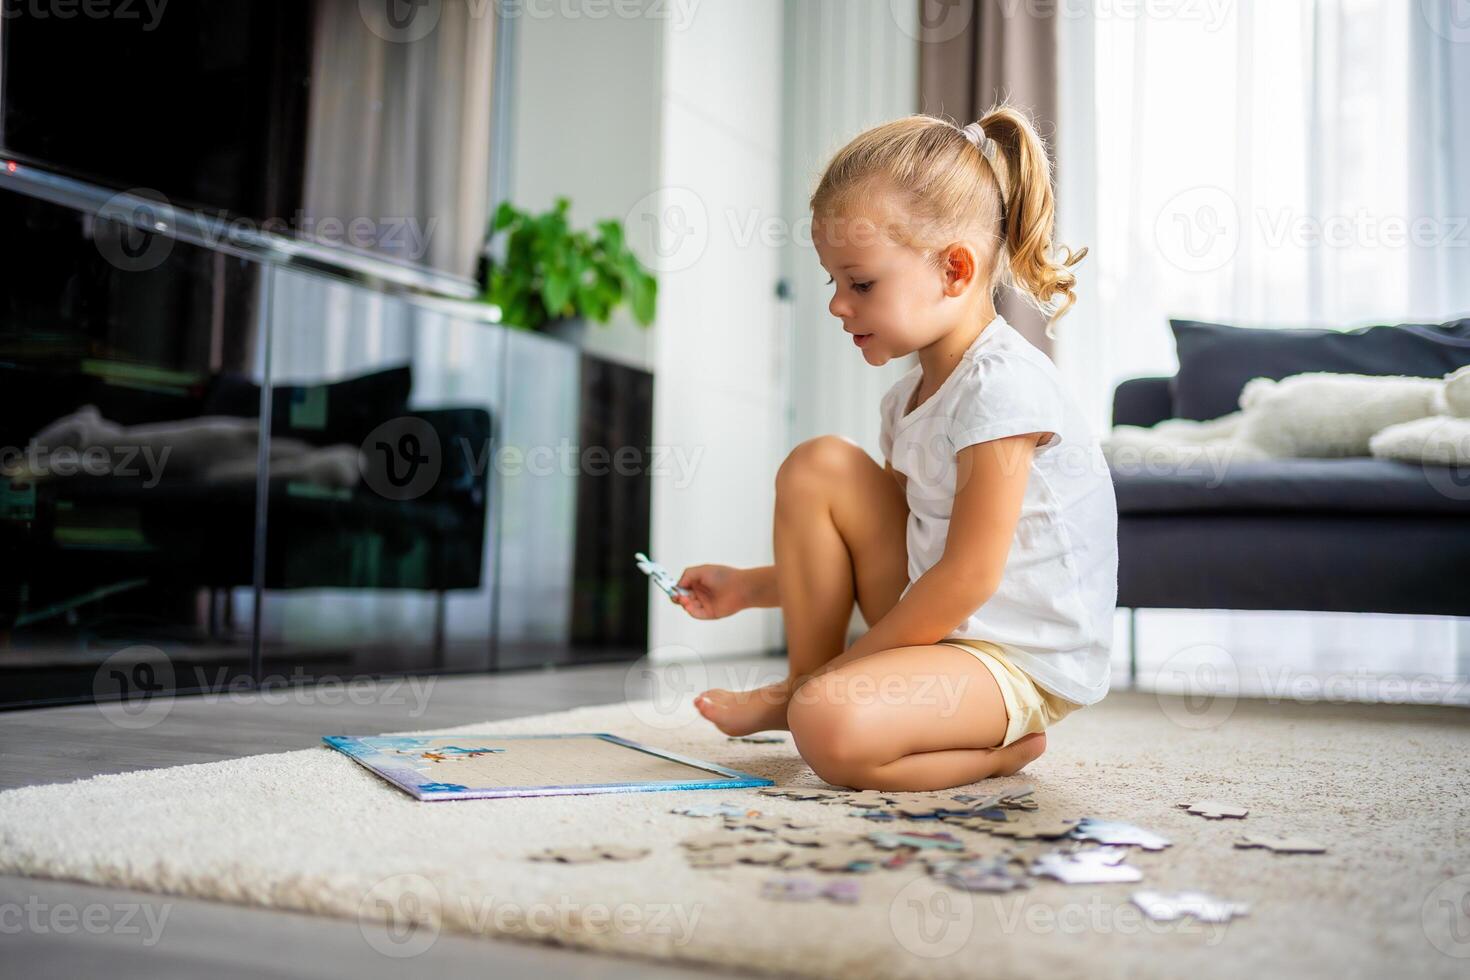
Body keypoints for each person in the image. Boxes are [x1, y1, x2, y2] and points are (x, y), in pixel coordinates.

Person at [670, 104, 1118, 792]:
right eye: (833, 282)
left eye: (862, 283)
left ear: (955, 270)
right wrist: (748, 589)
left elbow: (966, 578)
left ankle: (986, 743)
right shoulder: (903, 403)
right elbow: (894, 549)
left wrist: (830, 683)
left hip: (1012, 660)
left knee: (828, 722)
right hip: (943, 629)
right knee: (819, 464)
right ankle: (808, 690)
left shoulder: (1004, 389)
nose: (837, 306)